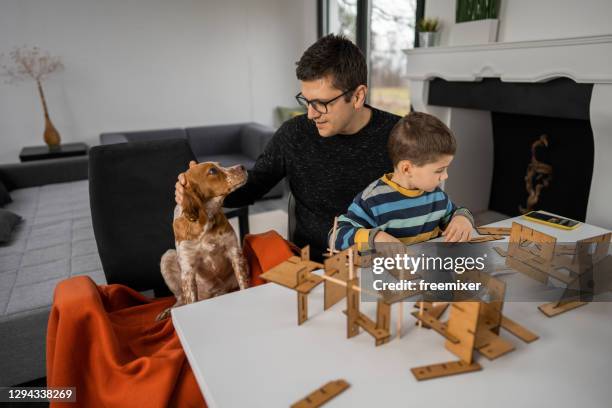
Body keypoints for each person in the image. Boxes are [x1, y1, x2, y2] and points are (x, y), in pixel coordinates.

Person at [176, 34, 401, 261]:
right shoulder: (294, 133)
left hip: (386, 262)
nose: (311, 114)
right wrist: (203, 190)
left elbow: (429, 192)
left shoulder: (401, 135)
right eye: (306, 101)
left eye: (321, 103)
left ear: (358, 96)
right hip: (314, 265)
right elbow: (252, 186)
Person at [330, 111, 474, 251]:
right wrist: (376, 237)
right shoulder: (372, 200)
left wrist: (462, 219)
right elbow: (336, 236)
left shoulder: (437, 196)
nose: (445, 176)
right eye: (439, 170)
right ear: (407, 169)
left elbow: (457, 212)